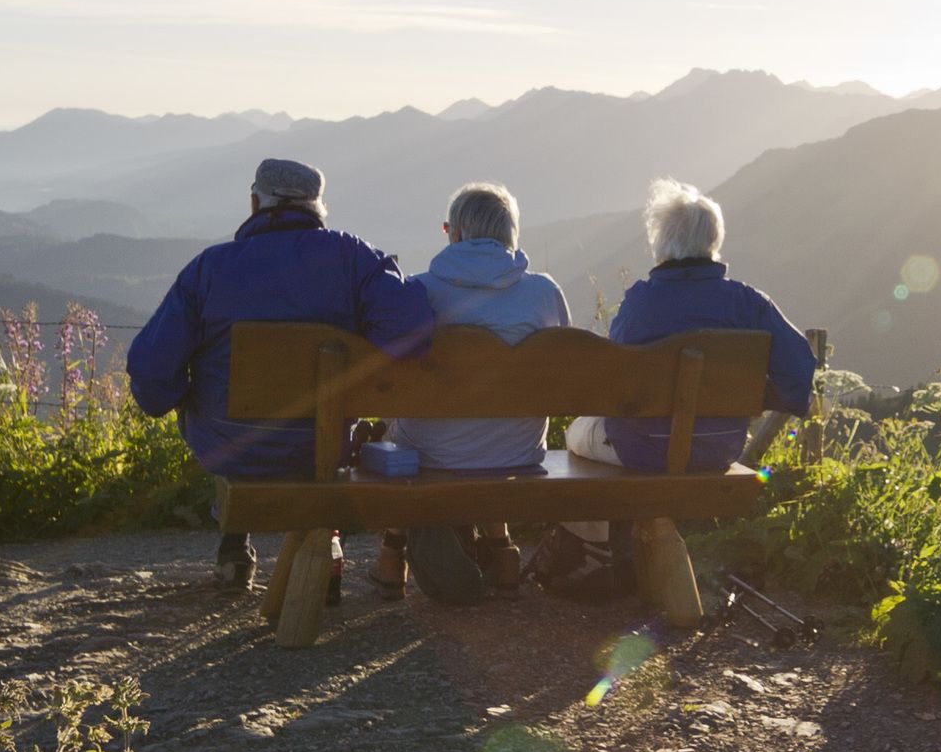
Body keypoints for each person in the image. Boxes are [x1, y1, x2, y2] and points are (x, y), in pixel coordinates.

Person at [126, 157, 432, 595]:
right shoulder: (353, 258)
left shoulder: (209, 269)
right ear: (318, 208)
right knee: (327, 428)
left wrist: (178, 397)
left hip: (227, 442)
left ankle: (234, 542)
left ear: (255, 202)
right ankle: (323, 551)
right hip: (322, 444)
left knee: (206, 396)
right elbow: (412, 333)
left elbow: (153, 372)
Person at [382, 180, 569, 606]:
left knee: (397, 437)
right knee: (490, 429)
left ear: (454, 232)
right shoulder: (543, 291)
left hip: (430, 456)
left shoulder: (418, 290)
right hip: (518, 453)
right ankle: (502, 553)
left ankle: (391, 558)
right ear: (510, 234)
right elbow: (566, 369)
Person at [580, 177, 815, 473]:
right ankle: (649, 517)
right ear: (713, 239)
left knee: (579, 433)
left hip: (644, 451)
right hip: (720, 449)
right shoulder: (749, 304)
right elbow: (798, 372)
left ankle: (632, 516)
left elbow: (616, 383)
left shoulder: (640, 304)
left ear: (661, 240)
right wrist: (751, 395)